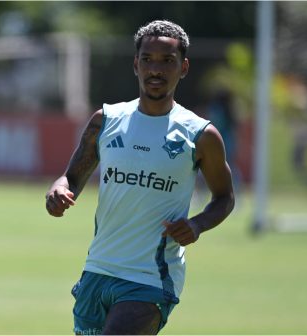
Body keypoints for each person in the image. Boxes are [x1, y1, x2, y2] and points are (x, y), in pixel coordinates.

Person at [45, 20, 234, 335]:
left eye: (167, 61)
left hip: (150, 278)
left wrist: (197, 224)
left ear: (183, 67)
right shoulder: (105, 121)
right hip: (98, 270)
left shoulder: (200, 134)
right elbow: (70, 178)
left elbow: (225, 197)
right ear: (136, 64)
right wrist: (57, 193)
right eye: (147, 59)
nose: (155, 69)